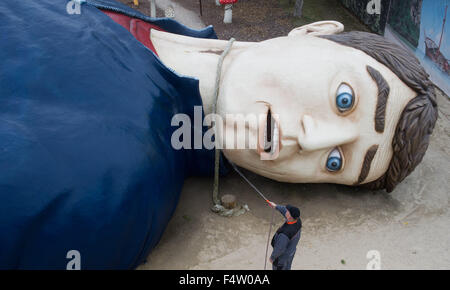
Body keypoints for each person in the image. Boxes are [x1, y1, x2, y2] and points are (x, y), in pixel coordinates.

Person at [0, 0, 437, 269]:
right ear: (316, 33)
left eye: (334, 162)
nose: (311, 140)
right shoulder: (162, 33)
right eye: (344, 99)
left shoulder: (108, 190)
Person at [267, 202, 302, 270]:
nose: (286, 211)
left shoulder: (284, 234)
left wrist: (272, 258)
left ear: (289, 216)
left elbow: (279, 249)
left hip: (280, 260)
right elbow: (284, 210)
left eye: (288, 211)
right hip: (290, 253)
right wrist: (276, 206)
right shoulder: (297, 220)